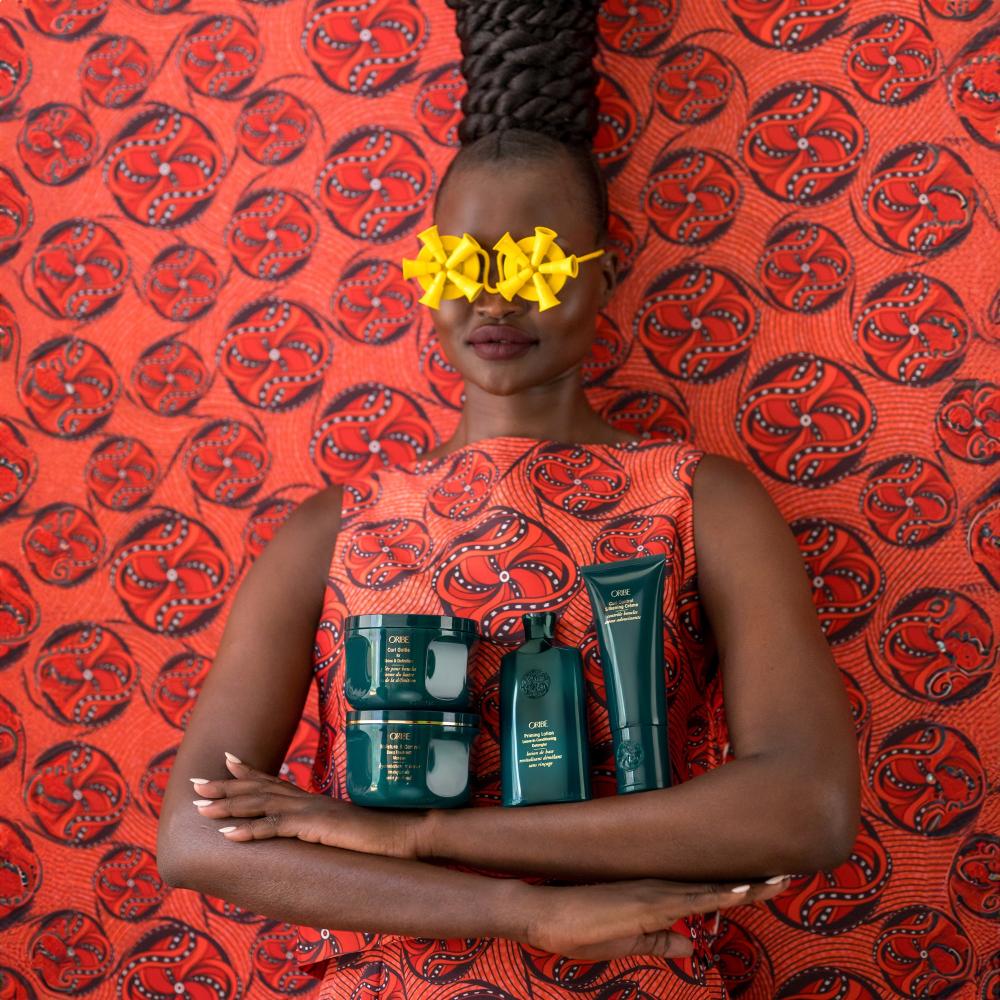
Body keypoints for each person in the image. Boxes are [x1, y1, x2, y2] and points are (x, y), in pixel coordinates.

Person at [157, 2, 860, 995]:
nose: (493, 302)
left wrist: (425, 835)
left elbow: (807, 805)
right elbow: (196, 837)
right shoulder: (330, 528)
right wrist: (522, 908)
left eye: (532, 266)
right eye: (461, 266)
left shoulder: (701, 502)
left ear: (602, 278)